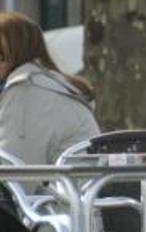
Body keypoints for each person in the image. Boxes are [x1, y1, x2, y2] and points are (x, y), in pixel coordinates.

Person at [0, 11, 100, 165]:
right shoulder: (49, 83)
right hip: (80, 185)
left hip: (69, 187)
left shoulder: (26, 90)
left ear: (16, 54)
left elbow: (13, 172)